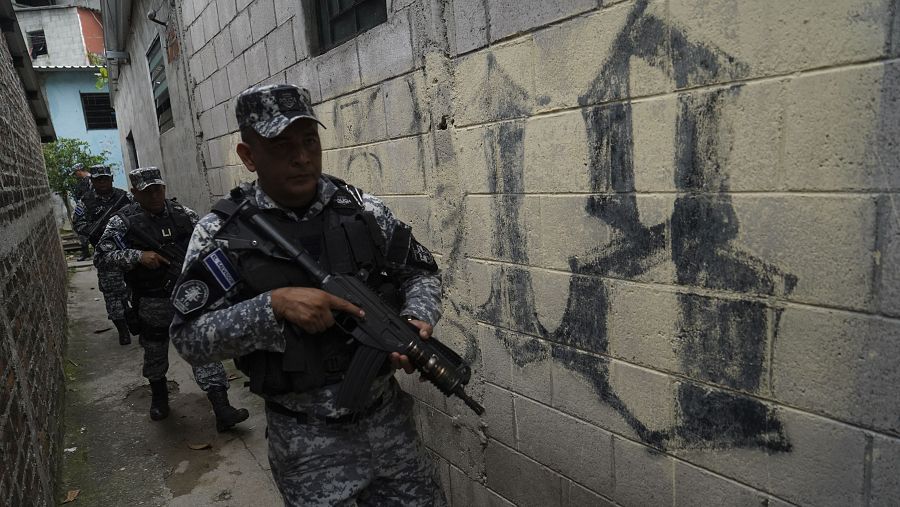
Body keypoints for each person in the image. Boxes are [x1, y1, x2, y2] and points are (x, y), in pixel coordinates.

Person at [170, 84, 446, 505]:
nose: (301, 157)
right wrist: (272, 307)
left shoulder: (363, 210)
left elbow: (421, 273)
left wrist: (415, 318)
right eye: (280, 146)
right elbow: (188, 338)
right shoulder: (221, 234)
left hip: (391, 426)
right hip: (306, 444)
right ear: (248, 156)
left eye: (309, 141)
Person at [95, 167, 250, 431]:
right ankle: (159, 396)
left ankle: (222, 408)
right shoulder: (122, 222)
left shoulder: (184, 215)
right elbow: (101, 256)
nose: (155, 195)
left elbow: (210, 245)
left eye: (158, 189)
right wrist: (137, 256)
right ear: (134, 193)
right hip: (152, 300)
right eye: (148, 191)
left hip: (190, 296)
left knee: (203, 345)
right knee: (155, 350)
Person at [73, 164, 131, 345]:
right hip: (105, 254)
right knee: (112, 293)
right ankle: (123, 330)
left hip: (129, 250)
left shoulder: (124, 197)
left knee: (136, 288)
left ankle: (136, 319)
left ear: (111, 179)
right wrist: (95, 230)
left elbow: (139, 214)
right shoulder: (85, 202)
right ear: (92, 181)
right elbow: (78, 224)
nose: (103, 183)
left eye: (106, 179)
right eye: (99, 180)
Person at [71, 164, 93, 261]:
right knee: (79, 227)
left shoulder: (90, 179)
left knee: (84, 227)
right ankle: (86, 252)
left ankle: (89, 251)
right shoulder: (83, 180)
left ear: (79, 171)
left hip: (90, 208)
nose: (75, 176)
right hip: (83, 207)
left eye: (75, 173)